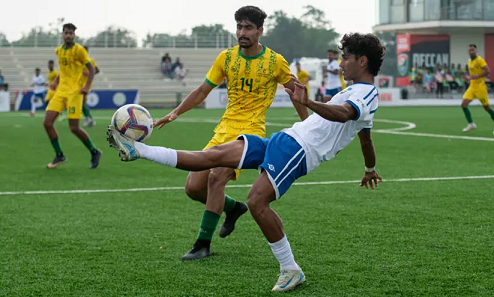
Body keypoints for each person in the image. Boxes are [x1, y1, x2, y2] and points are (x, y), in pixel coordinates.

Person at [107, 32, 384, 293]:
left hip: (301, 150)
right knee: (210, 158)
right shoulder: (353, 91)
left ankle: (291, 269)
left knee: (256, 201)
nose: (341, 62)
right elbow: (366, 140)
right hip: (285, 138)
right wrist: (370, 169)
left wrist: (309, 103)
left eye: (346, 57)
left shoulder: (366, 93)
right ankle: (138, 150)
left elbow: (346, 114)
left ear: (362, 61)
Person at [147, 6, 308, 261]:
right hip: (224, 128)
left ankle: (202, 243)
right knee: (193, 187)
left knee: (216, 178)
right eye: (239, 27)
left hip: (250, 132)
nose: (242, 33)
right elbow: (202, 90)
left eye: (248, 28)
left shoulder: (275, 62)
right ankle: (233, 209)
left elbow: (297, 93)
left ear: (259, 31)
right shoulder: (226, 58)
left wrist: (306, 126)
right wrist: (175, 112)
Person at [44, 23, 102, 169]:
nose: (68, 35)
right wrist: (55, 82)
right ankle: (59, 155)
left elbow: (92, 69)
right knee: (47, 122)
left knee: (74, 128)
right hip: (60, 92)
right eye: (66, 33)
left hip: (75, 93)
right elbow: (63, 70)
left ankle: (94, 151)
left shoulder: (79, 50)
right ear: (62, 34)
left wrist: (87, 87)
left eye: (71, 33)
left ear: (74, 35)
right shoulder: (58, 51)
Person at [461, 44, 494, 133]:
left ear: (476, 51)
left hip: (480, 88)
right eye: (470, 50)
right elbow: (473, 74)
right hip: (472, 87)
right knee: (463, 104)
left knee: (487, 108)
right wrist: (469, 78)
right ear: (468, 52)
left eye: (473, 50)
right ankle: (471, 124)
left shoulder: (480, 60)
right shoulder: (469, 61)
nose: (471, 51)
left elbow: (487, 71)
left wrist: (476, 77)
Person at [80, 46, 100, 127]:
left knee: (81, 102)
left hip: (86, 84)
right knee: (82, 103)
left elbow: (97, 70)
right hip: (78, 84)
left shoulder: (90, 61)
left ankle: (89, 118)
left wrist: (88, 74)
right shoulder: (79, 61)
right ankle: (89, 118)